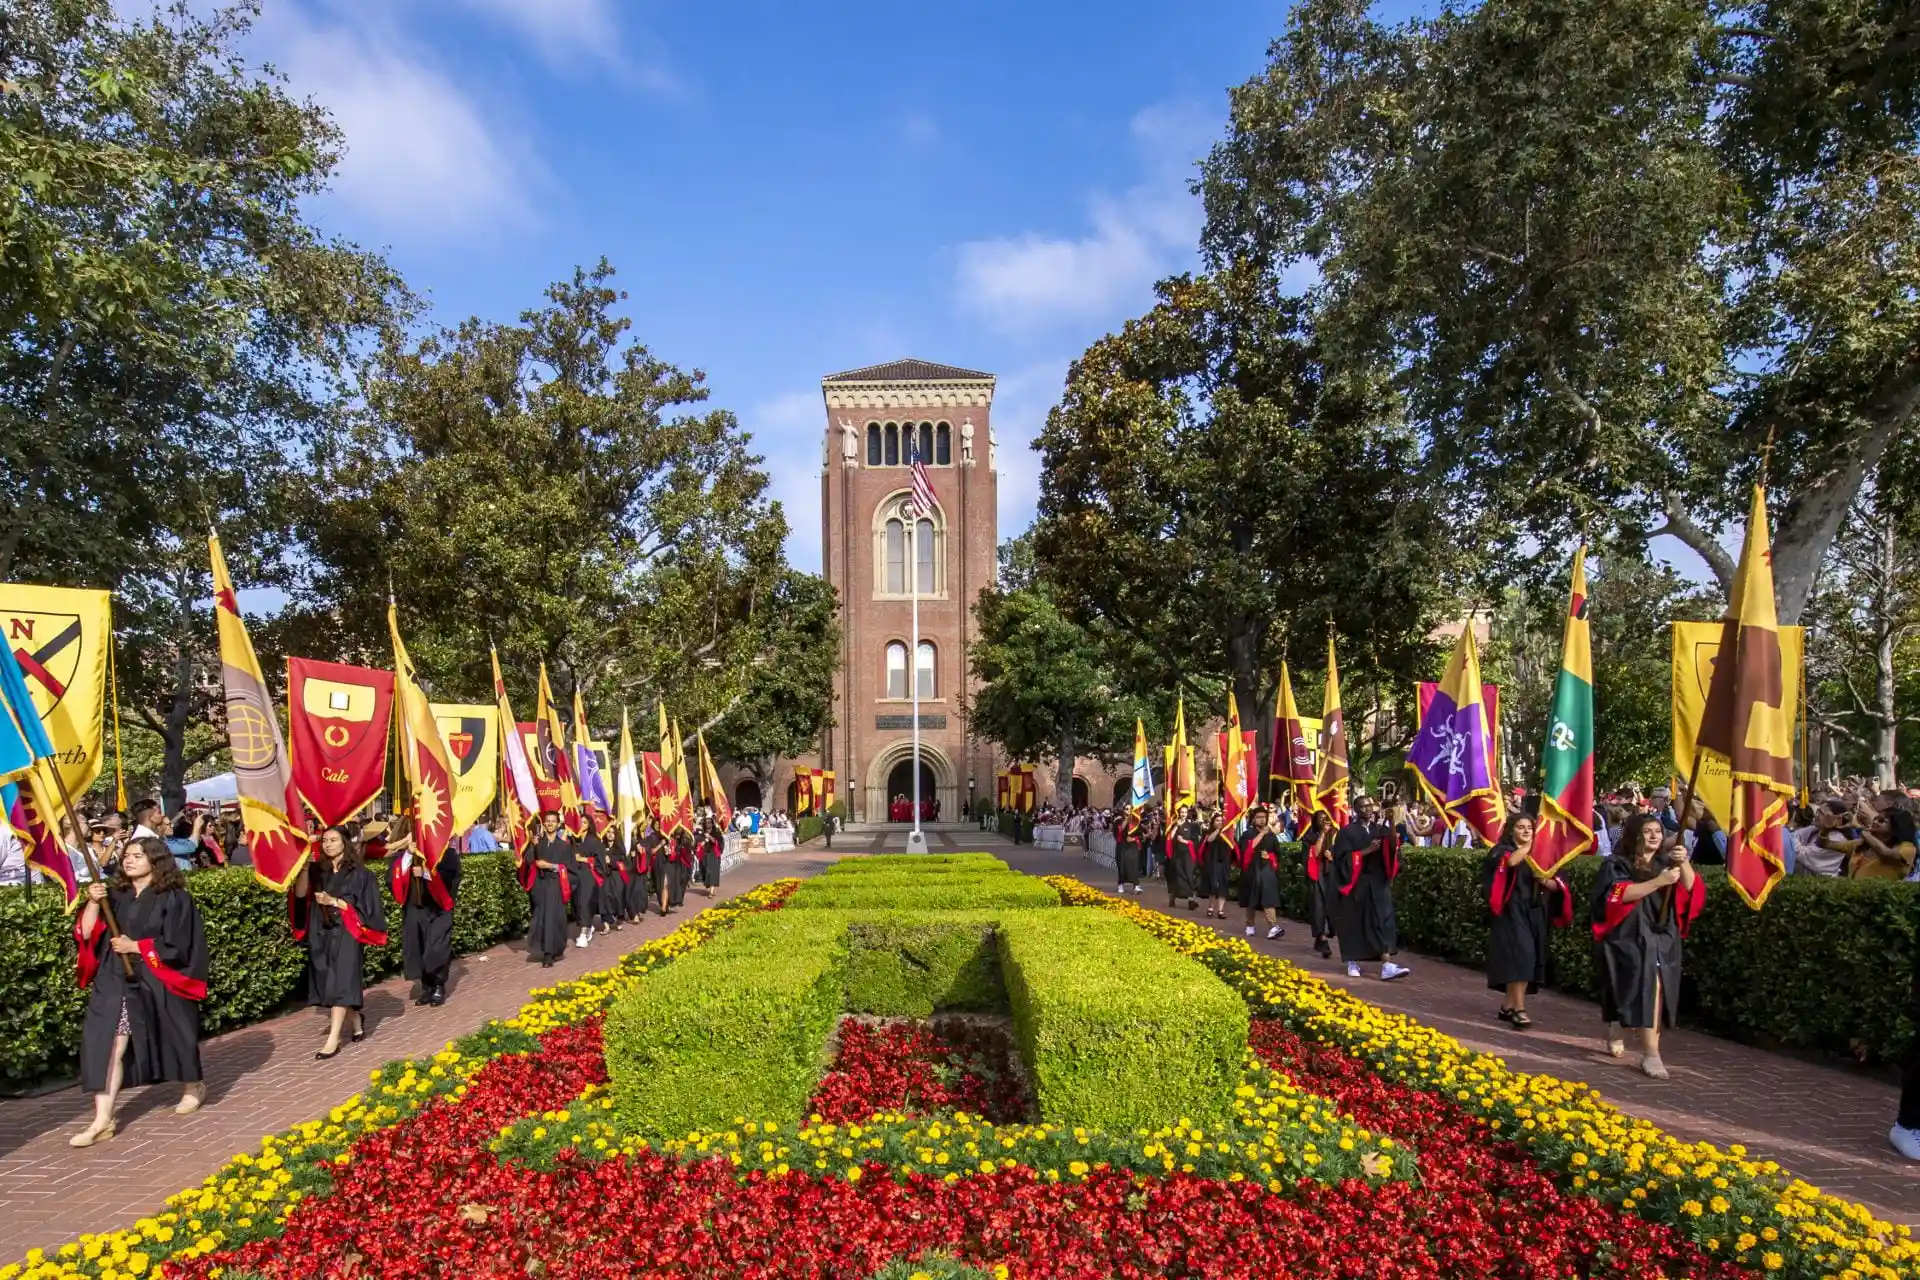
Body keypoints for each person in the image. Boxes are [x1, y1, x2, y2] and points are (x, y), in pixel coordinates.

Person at [70, 836, 207, 1147]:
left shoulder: (175, 898)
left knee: (174, 1032)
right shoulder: (113, 895)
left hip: (159, 974)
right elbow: (88, 932)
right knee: (109, 1042)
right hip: (116, 977)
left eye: (137, 855)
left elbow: (180, 944)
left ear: (155, 861)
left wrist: (138, 947)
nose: (128, 860)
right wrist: (92, 901)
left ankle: (192, 1086)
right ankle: (103, 1119)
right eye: (126, 855)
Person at [1592, 812, 1704, 1079]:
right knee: (1632, 986)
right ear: (1634, 835)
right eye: (1647, 831)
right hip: (1627, 934)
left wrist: (1684, 863)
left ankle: (1651, 1052)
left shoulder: (1667, 862)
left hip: (1661, 932)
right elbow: (1618, 895)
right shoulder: (1616, 864)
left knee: (1655, 986)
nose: (1654, 836)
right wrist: (1658, 882)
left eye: (1658, 831)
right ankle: (1621, 1025)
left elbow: (1691, 890)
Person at [290, 826, 388, 1059]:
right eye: (324, 840)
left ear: (345, 842)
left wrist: (335, 901)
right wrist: (303, 868)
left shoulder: (361, 874)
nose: (328, 844)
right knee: (327, 980)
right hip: (322, 931)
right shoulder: (318, 870)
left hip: (348, 931)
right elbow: (301, 894)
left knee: (341, 980)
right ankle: (355, 1019)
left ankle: (333, 1039)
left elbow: (369, 909)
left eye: (333, 840)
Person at [1482, 814, 1571, 1030]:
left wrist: (1545, 880)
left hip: (1536, 911)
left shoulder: (1544, 852)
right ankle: (1519, 1009)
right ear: (1511, 830)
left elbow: (1559, 883)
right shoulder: (1500, 850)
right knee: (1522, 956)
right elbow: (1510, 862)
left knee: (1528, 959)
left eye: (1530, 827)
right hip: (1511, 911)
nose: (1526, 831)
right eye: (1521, 827)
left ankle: (1507, 1005)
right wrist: (1531, 847)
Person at [1330, 797, 1409, 981]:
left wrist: (1391, 822)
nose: (1368, 808)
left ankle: (1387, 965)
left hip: (1377, 882)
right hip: (1357, 884)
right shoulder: (1347, 832)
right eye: (1363, 805)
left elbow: (1391, 847)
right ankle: (1352, 961)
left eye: (1370, 805)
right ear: (1355, 809)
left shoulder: (1378, 829)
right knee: (1355, 923)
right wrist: (1366, 850)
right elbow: (1342, 860)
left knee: (1382, 920)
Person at [386, 815, 461, 1008]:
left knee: (435, 949)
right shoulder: (404, 856)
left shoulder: (446, 854)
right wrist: (410, 856)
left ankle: (438, 986)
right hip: (414, 908)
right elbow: (392, 878)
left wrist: (427, 874)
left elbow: (451, 878)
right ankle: (427, 987)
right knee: (418, 948)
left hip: (437, 908)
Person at [522, 811, 574, 966]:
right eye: (547, 821)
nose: (550, 823)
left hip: (556, 885)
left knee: (553, 918)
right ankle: (545, 948)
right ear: (544, 824)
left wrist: (551, 866)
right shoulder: (539, 844)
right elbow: (528, 862)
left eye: (553, 821)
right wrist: (530, 846)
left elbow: (571, 868)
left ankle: (549, 954)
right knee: (541, 918)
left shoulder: (564, 846)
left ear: (558, 825)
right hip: (540, 886)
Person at [1237, 806, 1286, 939]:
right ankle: (1250, 925)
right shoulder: (1247, 834)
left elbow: (1278, 854)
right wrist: (1262, 833)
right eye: (1258, 817)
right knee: (1251, 900)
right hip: (1252, 871)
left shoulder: (1271, 836)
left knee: (1269, 898)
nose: (1261, 820)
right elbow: (1248, 848)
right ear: (1253, 819)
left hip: (1266, 871)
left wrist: (1270, 857)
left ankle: (1273, 927)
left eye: (1263, 818)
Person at [1299, 808, 1335, 958]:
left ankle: (1323, 936)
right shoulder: (1309, 837)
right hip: (1316, 876)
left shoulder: (1333, 836)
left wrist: (1332, 856)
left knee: (1330, 908)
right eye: (1320, 819)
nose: (1323, 822)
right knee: (1318, 908)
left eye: (1325, 818)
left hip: (1330, 876)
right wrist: (1322, 834)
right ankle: (1322, 939)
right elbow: (1313, 854)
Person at [1849, 806, 1918, 880]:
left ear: (1896, 826)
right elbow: (1836, 845)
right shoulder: (1865, 843)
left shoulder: (1909, 848)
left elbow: (1886, 853)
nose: (1875, 822)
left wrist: (1865, 831)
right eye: (1875, 819)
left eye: (1881, 821)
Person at [568, 816, 599, 949]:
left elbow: (600, 860)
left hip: (589, 875)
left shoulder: (594, 840)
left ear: (589, 824)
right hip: (575, 875)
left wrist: (583, 859)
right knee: (577, 904)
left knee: (585, 902)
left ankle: (583, 934)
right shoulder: (573, 839)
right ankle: (588, 925)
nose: (581, 824)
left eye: (584, 822)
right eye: (580, 821)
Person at [1200, 809, 1236, 919]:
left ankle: (1220, 910)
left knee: (1223, 885)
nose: (1220, 823)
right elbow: (1209, 841)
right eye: (1217, 821)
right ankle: (1211, 907)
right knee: (1213, 885)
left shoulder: (1227, 833)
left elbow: (1233, 846)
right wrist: (1218, 831)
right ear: (1213, 822)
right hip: (1212, 861)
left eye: (1221, 821)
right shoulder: (1209, 832)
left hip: (1224, 861)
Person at [1164, 806, 1201, 910]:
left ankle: (1191, 901)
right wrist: (1176, 827)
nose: (1183, 814)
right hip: (1177, 856)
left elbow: (1195, 841)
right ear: (1179, 813)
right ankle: (1172, 899)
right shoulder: (1174, 824)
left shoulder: (1192, 826)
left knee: (1189, 876)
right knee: (1177, 878)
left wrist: (1185, 841)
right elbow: (1170, 837)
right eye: (1181, 812)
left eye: (1185, 812)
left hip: (1188, 855)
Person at [1113, 807, 1145, 895]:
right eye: (1127, 809)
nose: (1129, 811)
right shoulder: (1118, 820)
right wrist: (1127, 819)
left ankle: (1136, 886)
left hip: (1132, 847)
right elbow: (1120, 829)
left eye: (1130, 809)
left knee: (1134, 866)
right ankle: (1120, 884)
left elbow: (1141, 835)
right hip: (1122, 847)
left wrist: (1134, 838)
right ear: (1123, 810)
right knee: (1122, 866)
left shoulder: (1136, 821)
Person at [666, 826, 695, 910]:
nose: (678, 834)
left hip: (685, 863)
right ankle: (674, 899)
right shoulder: (672, 840)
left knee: (683, 881)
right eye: (677, 832)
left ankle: (680, 898)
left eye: (680, 832)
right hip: (676, 863)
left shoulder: (686, 839)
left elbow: (691, 849)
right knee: (677, 881)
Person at [695, 817, 724, 897]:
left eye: (710, 822)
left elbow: (718, 842)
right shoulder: (701, 834)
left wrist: (710, 837)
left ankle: (711, 892)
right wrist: (702, 844)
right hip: (704, 855)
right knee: (705, 871)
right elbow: (697, 844)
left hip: (713, 854)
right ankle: (709, 886)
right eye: (707, 822)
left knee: (712, 872)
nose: (709, 824)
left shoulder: (716, 833)